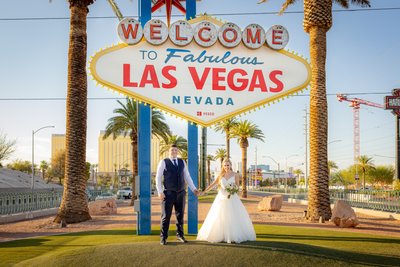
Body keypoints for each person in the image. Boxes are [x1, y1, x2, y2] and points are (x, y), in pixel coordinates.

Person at [197, 158, 256, 243]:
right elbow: (212, 185)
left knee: (232, 216)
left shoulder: (235, 175)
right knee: (219, 216)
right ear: (222, 166)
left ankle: (232, 235)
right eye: (225, 165)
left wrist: (232, 190)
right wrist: (204, 192)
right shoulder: (220, 175)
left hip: (232, 198)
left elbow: (237, 186)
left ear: (231, 165)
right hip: (221, 198)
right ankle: (220, 235)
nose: (226, 167)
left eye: (228, 165)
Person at [155, 144, 200, 245]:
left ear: (178, 152)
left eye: (175, 150)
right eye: (172, 150)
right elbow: (158, 177)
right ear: (169, 152)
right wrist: (160, 192)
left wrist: (194, 189)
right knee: (166, 216)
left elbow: (187, 177)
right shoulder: (163, 162)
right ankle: (163, 237)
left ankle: (180, 235)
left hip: (181, 193)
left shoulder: (182, 162)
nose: (174, 152)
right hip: (168, 193)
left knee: (180, 216)